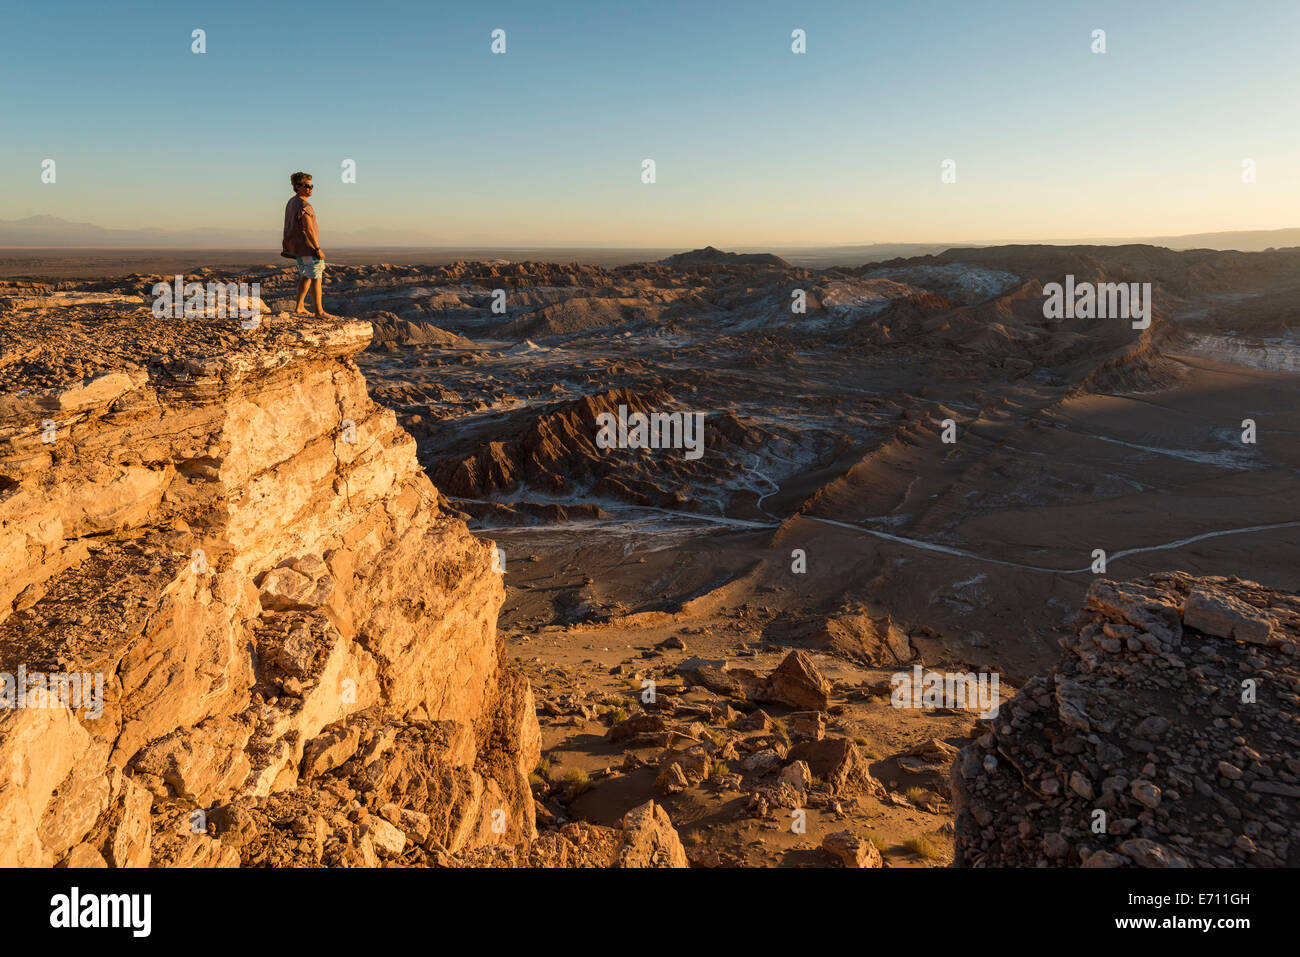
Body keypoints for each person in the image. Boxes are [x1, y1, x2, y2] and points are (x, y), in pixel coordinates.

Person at [281, 171, 328, 316]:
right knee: (316, 276)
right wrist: (317, 248)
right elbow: (308, 229)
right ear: (297, 186)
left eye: (311, 186)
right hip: (308, 247)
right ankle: (319, 311)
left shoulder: (291, 202)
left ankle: (300, 306)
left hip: (297, 248)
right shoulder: (303, 205)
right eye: (306, 186)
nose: (310, 188)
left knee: (306, 276)